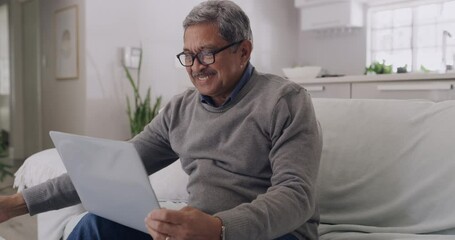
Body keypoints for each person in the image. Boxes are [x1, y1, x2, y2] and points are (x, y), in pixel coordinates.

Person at [0, 1, 322, 239]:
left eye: (207, 53)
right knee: (92, 226)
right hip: (197, 229)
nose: (196, 66)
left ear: (244, 51)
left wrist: (219, 228)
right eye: (188, 56)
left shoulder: (285, 101)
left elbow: (296, 194)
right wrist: (16, 204)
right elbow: (110, 167)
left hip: (269, 233)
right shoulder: (180, 109)